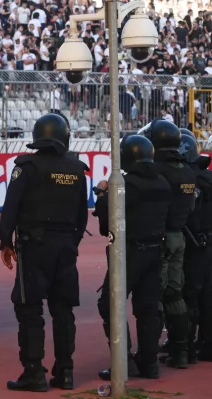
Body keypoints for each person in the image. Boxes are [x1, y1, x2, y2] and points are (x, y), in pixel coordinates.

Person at [0, 113, 89, 392]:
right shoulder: (76, 169)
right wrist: (71, 243)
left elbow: (11, 207)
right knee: (63, 310)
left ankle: (34, 372)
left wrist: (6, 242)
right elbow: (82, 215)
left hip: (34, 247)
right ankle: (66, 372)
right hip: (65, 247)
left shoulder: (26, 167)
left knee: (29, 309)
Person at [94, 135, 169, 380]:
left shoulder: (124, 184)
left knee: (110, 303)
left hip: (129, 252)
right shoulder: (162, 182)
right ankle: (148, 363)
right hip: (155, 250)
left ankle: (123, 362)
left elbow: (108, 226)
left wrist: (103, 195)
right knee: (148, 308)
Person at [140, 119, 196, 368]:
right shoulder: (187, 171)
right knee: (176, 293)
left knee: (154, 296)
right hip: (180, 236)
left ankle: (149, 354)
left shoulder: (156, 170)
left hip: (158, 238)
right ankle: (181, 350)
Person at [178, 133, 212, 362]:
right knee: (207, 296)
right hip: (207, 241)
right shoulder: (207, 176)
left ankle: (185, 347)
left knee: (190, 294)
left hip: (196, 244)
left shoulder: (189, 179)